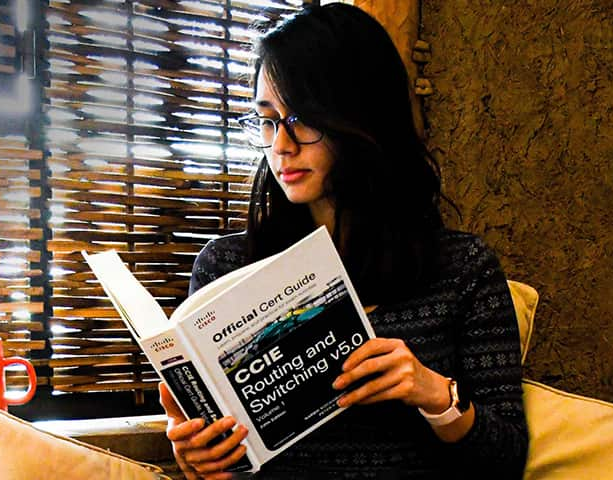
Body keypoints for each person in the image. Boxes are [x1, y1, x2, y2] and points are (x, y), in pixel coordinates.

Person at [159, 4, 528, 479]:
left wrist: (435, 395)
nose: (281, 145)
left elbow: (507, 463)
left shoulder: (462, 269)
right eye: (268, 120)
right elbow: (223, 462)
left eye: (302, 119)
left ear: (363, 117)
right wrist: (198, 458)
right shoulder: (227, 266)